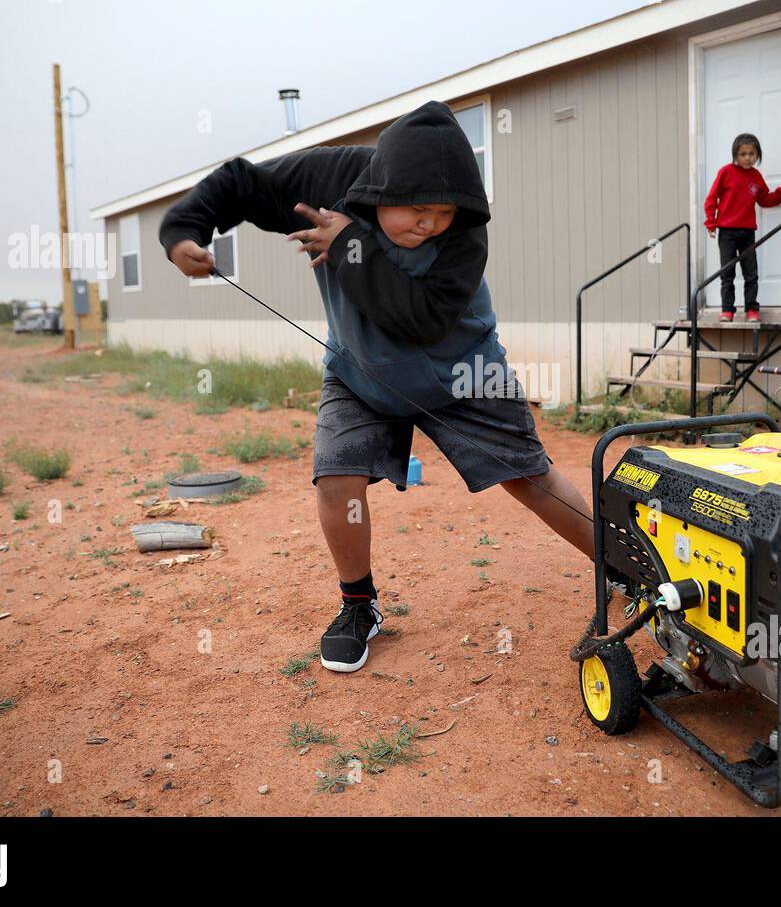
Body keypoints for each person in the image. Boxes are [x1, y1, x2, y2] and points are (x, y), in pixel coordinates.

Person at [160, 101, 593, 673]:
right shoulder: (330, 180)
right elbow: (240, 183)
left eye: (442, 213)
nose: (431, 224)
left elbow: (419, 319)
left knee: (530, 476)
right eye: (417, 210)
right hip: (359, 369)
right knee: (336, 476)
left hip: (462, 370)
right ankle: (358, 606)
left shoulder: (465, 236)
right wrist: (182, 231)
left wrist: (347, 248)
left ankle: (624, 570)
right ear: (385, 188)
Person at [702, 133, 781, 322]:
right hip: (726, 232)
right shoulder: (725, 172)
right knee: (728, 273)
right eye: (743, 154)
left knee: (751, 272)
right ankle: (727, 310)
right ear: (735, 154)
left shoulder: (756, 176)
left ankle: (751, 309)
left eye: (752, 153)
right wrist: (711, 222)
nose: (747, 157)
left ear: (758, 155)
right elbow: (711, 198)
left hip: (747, 232)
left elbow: (765, 200)